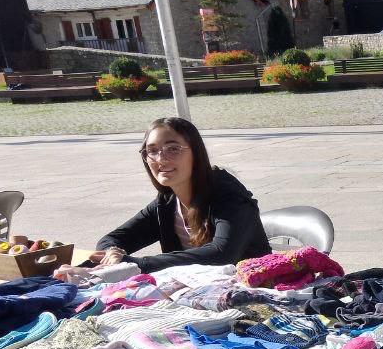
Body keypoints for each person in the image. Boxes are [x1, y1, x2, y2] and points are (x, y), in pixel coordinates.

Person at [90, 117, 271, 274]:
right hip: (197, 291)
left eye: (173, 149)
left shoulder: (229, 195)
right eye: (152, 151)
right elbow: (111, 240)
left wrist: (137, 263)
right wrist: (112, 253)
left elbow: (222, 254)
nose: (161, 159)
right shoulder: (167, 201)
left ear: (196, 153)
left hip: (256, 288)